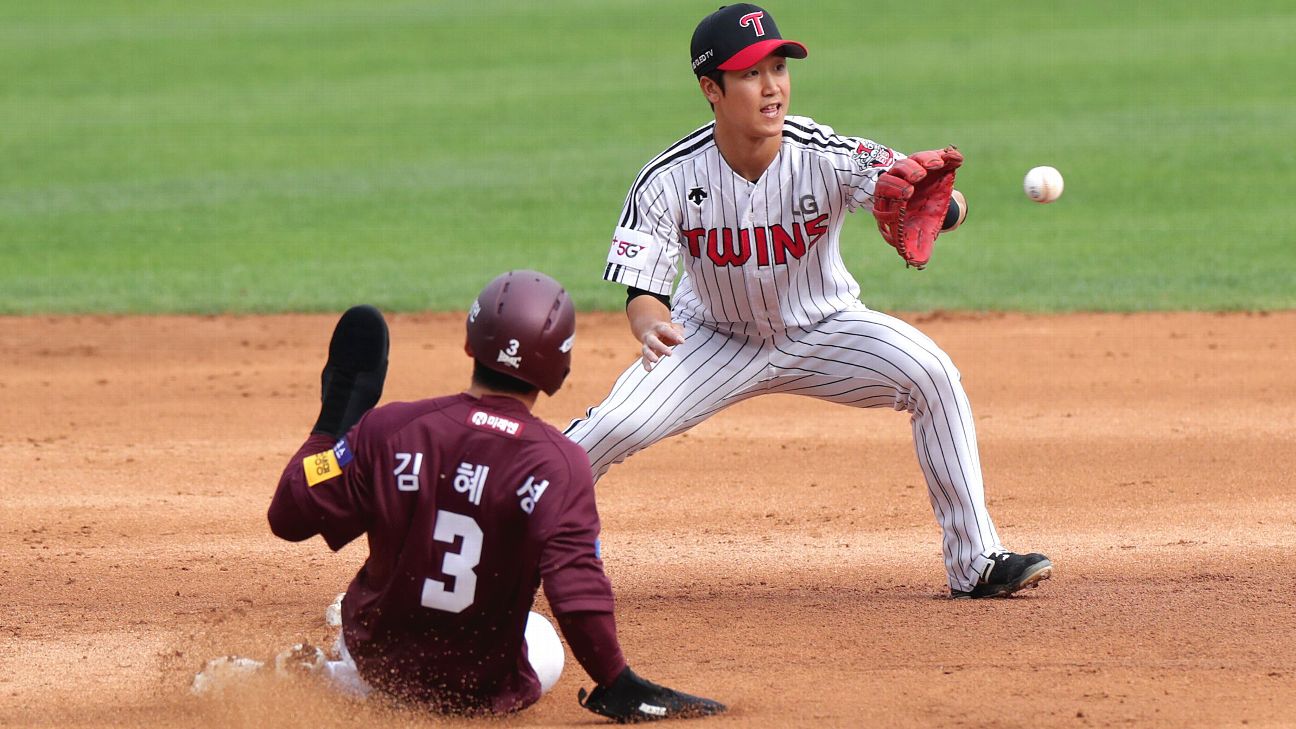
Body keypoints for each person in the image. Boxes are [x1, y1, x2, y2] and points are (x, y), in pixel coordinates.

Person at [564, 4, 1052, 599]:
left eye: (778, 67)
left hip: (825, 329)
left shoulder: (824, 151)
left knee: (934, 375)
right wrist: (652, 327)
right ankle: (494, 540)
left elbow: (925, 190)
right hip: (709, 339)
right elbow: (642, 292)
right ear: (710, 88)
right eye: (750, 74)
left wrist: (945, 212)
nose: (772, 87)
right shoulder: (666, 178)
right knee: (612, 425)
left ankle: (975, 563)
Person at [268, 270, 725, 721]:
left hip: (378, 657)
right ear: (559, 372)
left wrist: (332, 433)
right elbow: (576, 593)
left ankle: (342, 676)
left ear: (470, 344)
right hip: (479, 689)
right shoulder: (560, 464)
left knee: (374, 606)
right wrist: (617, 681)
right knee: (543, 640)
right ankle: (354, 680)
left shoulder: (391, 429)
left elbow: (288, 517)